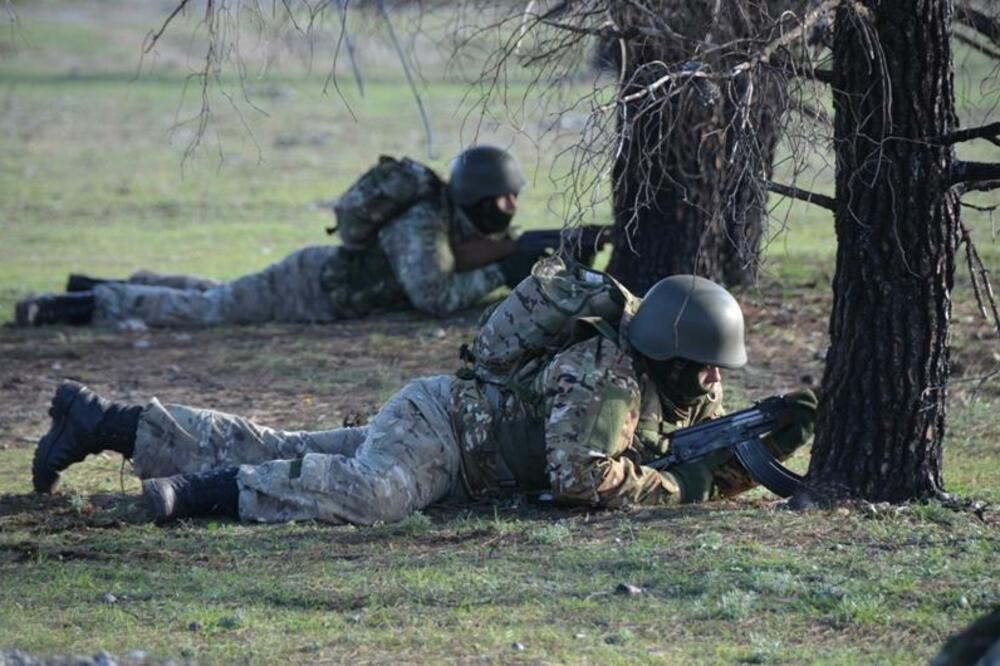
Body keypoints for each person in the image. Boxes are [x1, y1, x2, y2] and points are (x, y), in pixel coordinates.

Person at [30, 264, 817, 523]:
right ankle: (194, 496)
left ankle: (106, 422)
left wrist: (749, 455)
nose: (716, 381)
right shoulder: (604, 375)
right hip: (441, 429)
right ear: (669, 354)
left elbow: (694, 448)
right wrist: (684, 487)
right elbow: (583, 480)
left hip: (444, 420)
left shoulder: (671, 387)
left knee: (284, 450)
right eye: (708, 366)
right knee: (374, 495)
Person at [14, 146, 551, 328]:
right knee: (207, 311)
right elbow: (432, 295)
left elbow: (468, 256)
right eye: (505, 198)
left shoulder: (448, 217)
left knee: (209, 293)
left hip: (313, 281)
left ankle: (106, 284)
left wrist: (529, 252)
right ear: (480, 198)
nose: (512, 208)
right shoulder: (422, 223)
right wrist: (505, 271)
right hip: (308, 287)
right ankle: (73, 306)